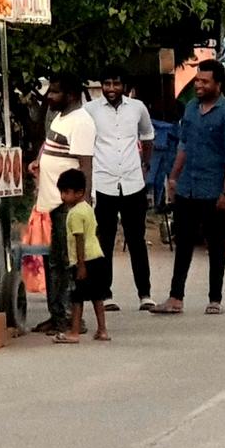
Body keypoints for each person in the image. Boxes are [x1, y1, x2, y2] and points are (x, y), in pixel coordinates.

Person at [150, 59, 225, 316]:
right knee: (184, 243)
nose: (199, 85)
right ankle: (175, 297)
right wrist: (173, 177)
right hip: (187, 187)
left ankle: (215, 298)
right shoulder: (190, 108)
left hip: (213, 189)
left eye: (204, 81)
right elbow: (183, 145)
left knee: (216, 243)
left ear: (218, 84)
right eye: (197, 80)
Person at [29, 74, 96, 335]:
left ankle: (69, 316)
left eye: (54, 92)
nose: (49, 97)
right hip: (51, 201)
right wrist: (38, 161)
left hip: (66, 204)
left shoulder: (81, 122)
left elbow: (85, 164)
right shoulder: (60, 117)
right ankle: (56, 313)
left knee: (65, 262)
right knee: (54, 262)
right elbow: (51, 145)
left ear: (70, 95)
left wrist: (84, 202)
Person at [85, 65, 157, 312]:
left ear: (124, 86)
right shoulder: (90, 110)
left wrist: (145, 166)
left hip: (132, 182)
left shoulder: (138, 108)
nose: (111, 89)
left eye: (116, 84)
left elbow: (148, 136)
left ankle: (145, 294)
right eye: (107, 84)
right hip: (103, 182)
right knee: (104, 240)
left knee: (136, 239)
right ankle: (105, 294)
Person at [52, 169, 110, 344]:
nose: (63, 196)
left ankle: (74, 331)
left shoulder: (75, 213)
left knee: (77, 298)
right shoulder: (87, 208)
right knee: (97, 296)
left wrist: (81, 265)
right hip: (97, 256)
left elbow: (79, 239)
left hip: (84, 260)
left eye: (66, 192)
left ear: (79, 193)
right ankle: (102, 330)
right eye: (62, 192)